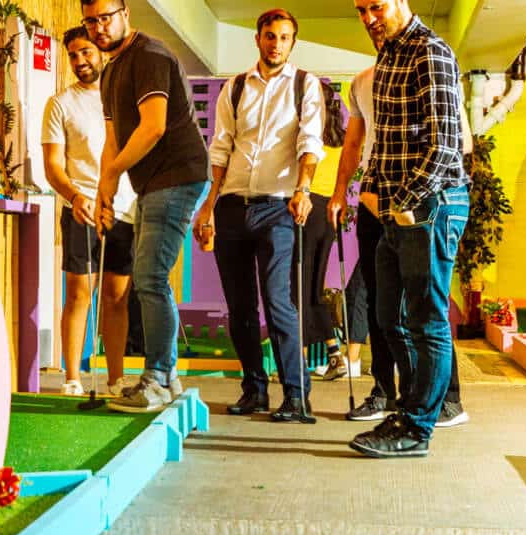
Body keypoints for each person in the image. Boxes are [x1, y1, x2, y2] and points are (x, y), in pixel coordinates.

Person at [327, 29, 470, 428]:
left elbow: (458, 145)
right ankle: (389, 393)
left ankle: (446, 400)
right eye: (363, 13)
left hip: (416, 201)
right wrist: (343, 192)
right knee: (382, 306)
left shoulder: (429, 62)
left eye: (377, 9)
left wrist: (410, 199)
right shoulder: (364, 81)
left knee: (425, 309)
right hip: (378, 201)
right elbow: (355, 145)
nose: (372, 24)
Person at [190, 9, 324, 421]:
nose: (276, 44)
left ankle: (296, 397)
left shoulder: (305, 85)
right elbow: (221, 147)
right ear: (258, 39)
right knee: (240, 307)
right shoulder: (234, 88)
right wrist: (208, 205)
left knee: (278, 300)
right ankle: (254, 390)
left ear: (292, 43)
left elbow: (310, 140)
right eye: (270, 35)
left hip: (278, 208)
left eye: (284, 37)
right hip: (232, 205)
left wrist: (303, 189)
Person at [81, 0, 211, 413]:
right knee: (148, 274)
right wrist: (105, 188)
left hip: (178, 174)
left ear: (125, 13)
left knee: (150, 275)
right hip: (151, 182)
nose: (100, 27)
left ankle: (157, 377)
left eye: (106, 17)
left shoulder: (150, 55)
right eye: (91, 21)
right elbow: (114, 139)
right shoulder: (111, 71)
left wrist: (114, 175)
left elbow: (153, 127)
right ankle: (166, 379)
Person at [42, 27, 137, 397]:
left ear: (101, 52)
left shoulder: (123, 100)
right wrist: (74, 196)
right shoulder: (60, 104)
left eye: (86, 52)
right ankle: (72, 378)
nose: (80, 61)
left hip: (123, 208)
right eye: (73, 56)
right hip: (80, 209)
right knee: (80, 292)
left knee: (116, 296)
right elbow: (53, 165)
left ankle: (115, 380)